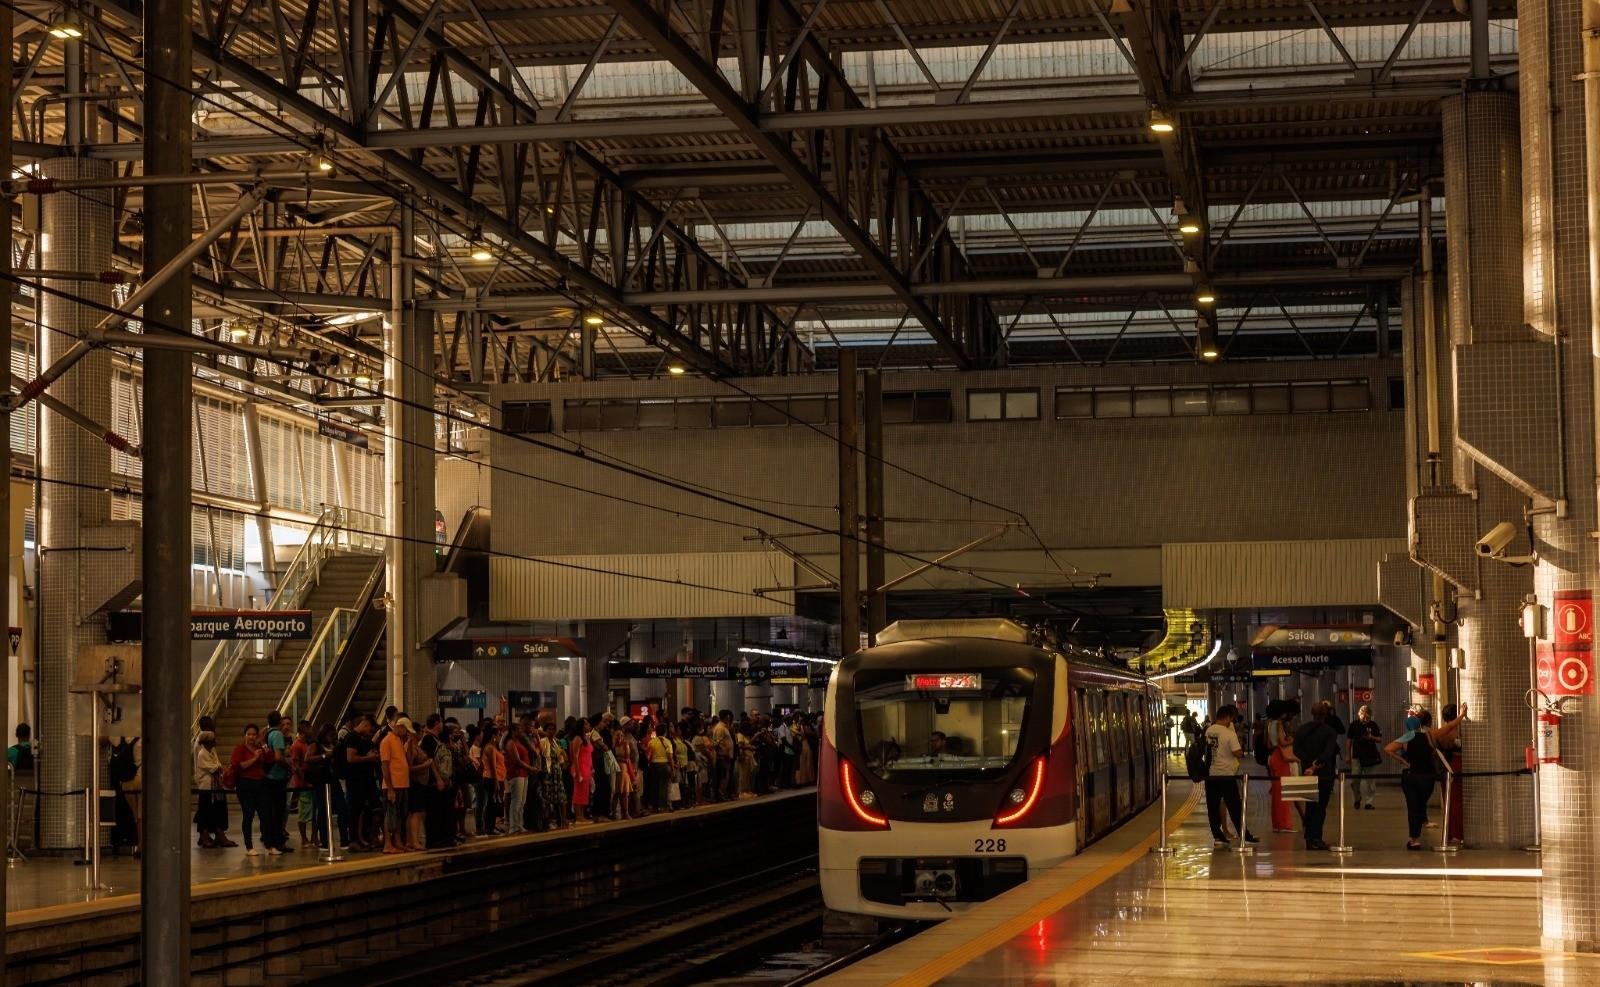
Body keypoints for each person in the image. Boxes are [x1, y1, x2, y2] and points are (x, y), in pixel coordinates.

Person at [1385, 705, 1467, 850]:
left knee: (1413, 807)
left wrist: (1403, 761)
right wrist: (1461, 715)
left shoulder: (1406, 738)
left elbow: (1388, 749)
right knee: (1421, 804)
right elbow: (1449, 727)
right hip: (1427, 777)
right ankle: (1423, 822)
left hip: (1411, 776)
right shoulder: (1429, 735)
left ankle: (1414, 839)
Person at [1204, 705, 1258, 849]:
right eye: (1231, 718)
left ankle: (1218, 837)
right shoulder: (1229, 734)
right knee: (1235, 807)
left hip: (1211, 774)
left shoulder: (1209, 730)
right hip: (1226, 775)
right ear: (1227, 717)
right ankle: (1244, 836)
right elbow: (1238, 753)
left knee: (1213, 807)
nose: (1231, 721)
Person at [1292, 701, 1341, 851]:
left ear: (1312, 713)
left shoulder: (1302, 729)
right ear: (1326, 714)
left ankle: (1308, 836)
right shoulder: (1329, 731)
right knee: (1320, 807)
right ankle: (1317, 837)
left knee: (1310, 805)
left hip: (1306, 771)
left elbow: (1296, 749)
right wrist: (1317, 764)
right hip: (1324, 774)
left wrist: (1308, 764)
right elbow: (1328, 752)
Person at [338, 716, 381, 851]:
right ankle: (354, 840)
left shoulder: (365, 739)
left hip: (366, 781)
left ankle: (366, 837)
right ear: (364, 724)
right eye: (370, 730)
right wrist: (368, 758)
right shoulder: (352, 738)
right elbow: (350, 758)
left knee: (370, 809)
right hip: (355, 781)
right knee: (356, 810)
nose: (370, 733)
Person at [229, 725, 268, 856]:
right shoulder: (240, 749)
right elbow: (239, 766)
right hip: (245, 785)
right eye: (249, 734)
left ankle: (268, 844)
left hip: (260, 784)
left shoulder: (259, 749)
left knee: (264, 814)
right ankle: (249, 846)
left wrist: (263, 748)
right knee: (248, 815)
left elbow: (269, 760)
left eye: (254, 734)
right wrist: (255, 758)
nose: (251, 737)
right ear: (245, 735)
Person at [379, 716, 415, 853]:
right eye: (406, 730)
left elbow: (408, 762)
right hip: (392, 785)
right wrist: (389, 788)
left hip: (403, 784)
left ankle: (398, 842)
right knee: (390, 815)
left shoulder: (399, 741)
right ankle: (388, 844)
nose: (407, 733)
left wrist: (410, 744)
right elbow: (385, 766)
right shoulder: (386, 741)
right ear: (399, 727)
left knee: (400, 815)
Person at [260, 711, 291, 855]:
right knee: (278, 812)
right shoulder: (277, 735)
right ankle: (278, 843)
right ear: (279, 722)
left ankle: (271, 842)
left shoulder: (267, 734)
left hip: (268, 776)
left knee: (271, 812)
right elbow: (278, 757)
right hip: (277, 777)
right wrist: (289, 765)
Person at [1266, 701, 1299, 835]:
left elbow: (1268, 743)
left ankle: (1277, 824)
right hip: (1280, 757)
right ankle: (1285, 824)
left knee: (1276, 793)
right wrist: (1292, 739)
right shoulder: (1279, 724)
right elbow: (1282, 741)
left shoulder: (1269, 724)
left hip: (1273, 755)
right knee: (1283, 793)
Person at [193, 731, 228, 848]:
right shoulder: (202, 753)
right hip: (206, 787)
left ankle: (217, 834)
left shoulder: (212, 752)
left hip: (215, 786)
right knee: (205, 811)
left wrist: (218, 767)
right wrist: (218, 767)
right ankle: (204, 836)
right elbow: (213, 767)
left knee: (216, 810)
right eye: (213, 740)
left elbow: (218, 765)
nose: (215, 741)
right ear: (207, 742)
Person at [1346, 705, 1383, 810]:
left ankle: (1369, 802)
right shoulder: (1354, 725)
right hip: (1357, 756)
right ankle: (1357, 798)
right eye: (1363, 715)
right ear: (1359, 714)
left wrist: (1372, 737)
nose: (1366, 718)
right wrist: (1347, 754)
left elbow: (1379, 739)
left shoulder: (1373, 725)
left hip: (1370, 756)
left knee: (1370, 781)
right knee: (1355, 780)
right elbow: (1349, 741)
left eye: (1368, 716)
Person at [503, 719, 533, 835]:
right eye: (519, 730)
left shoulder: (519, 741)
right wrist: (530, 768)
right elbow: (517, 760)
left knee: (522, 801)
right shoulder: (510, 743)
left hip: (523, 773)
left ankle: (519, 824)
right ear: (514, 731)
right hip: (516, 774)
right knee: (516, 800)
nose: (522, 732)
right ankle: (513, 826)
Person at [646, 723, 673, 813]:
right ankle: (663, 806)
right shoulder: (667, 742)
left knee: (654, 786)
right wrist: (672, 769)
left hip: (654, 765)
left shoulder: (652, 742)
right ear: (665, 732)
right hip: (664, 765)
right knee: (663, 786)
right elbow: (670, 757)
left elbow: (649, 756)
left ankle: (655, 806)